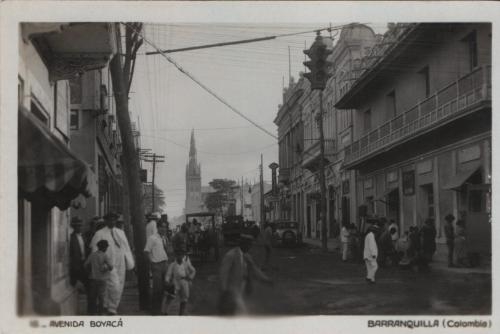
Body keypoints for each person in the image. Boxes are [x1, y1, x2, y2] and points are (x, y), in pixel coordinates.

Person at [90, 212, 134, 315]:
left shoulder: (120, 232)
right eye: (110, 220)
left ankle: (110, 305)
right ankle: (111, 308)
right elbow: (94, 250)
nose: (112, 222)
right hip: (108, 263)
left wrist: (129, 261)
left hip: (120, 261)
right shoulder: (99, 233)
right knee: (114, 285)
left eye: (114, 219)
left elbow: (126, 247)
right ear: (105, 221)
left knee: (119, 284)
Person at [218, 234, 273, 315]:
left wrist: (265, 279)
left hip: (241, 287)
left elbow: (255, 270)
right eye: (249, 245)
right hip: (232, 289)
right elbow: (223, 273)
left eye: (251, 245)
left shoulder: (246, 256)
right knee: (241, 313)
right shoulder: (231, 255)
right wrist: (225, 291)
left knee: (236, 312)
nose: (250, 247)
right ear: (243, 244)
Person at [144, 222, 169, 315]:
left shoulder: (164, 238)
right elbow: (146, 251)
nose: (163, 229)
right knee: (157, 289)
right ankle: (155, 311)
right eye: (162, 227)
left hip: (165, 264)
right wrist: (152, 263)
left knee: (164, 288)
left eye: (165, 227)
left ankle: (161, 309)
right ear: (157, 228)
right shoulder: (152, 238)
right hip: (156, 265)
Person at [85, 240, 113, 315]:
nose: (107, 248)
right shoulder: (105, 255)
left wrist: (90, 272)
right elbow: (111, 267)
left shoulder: (92, 255)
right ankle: (100, 312)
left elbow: (86, 265)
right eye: (106, 247)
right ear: (104, 247)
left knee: (93, 296)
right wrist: (105, 267)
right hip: (102, 279)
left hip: (93, 278)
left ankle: (92, 311)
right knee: (101, 296)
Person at [164, 249, 196, 315]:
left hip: (184, 281)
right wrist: (167, 281)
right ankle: (166, 312)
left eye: (181, 255)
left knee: (184, 298)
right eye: (178, 255)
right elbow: (168, 274)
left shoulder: (186, 264)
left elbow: (193, 270)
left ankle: (181, 314)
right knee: (170, 297)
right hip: (175, 282)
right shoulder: (172, 265)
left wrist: (190, 277)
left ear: (183, 256)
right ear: (175, 256)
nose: (180, 257)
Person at [69, 216, 88, 288]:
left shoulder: (83, 236)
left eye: (80, 226)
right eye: (77, 226)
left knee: (86, 282)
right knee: (74, 282)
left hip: (83, 262)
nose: (79, 228)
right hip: (75, 264)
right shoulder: (71, 237)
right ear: (74, 227)